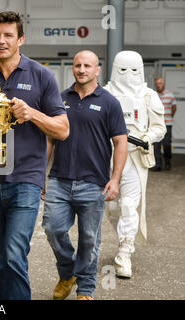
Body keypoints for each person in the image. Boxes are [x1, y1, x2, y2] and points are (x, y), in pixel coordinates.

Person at [0, 11, 69, 300]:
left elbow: (62, 130)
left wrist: (31, 113)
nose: (1, 41)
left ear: (21, 39)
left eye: (8, 35)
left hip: (26, 179)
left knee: (14, 255)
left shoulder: (42, 75)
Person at [42, 50, 128, 300]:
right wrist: (40, 175)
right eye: (77, 65)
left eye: (87, 65)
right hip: (59, 179)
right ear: (73, 68)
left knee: (90, 239)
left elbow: (120, 142)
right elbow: (50, 138)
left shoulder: (109, 102)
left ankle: (86, 290)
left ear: (97, 70)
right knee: (52, 228)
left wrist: (115, 179)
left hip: (94, 183)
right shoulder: (60, 99)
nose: (82, 69)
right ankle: (68, 272)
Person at [104, 51, 166, 278]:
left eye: (132, 70)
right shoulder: (105, 93)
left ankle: (124, 252)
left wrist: (148, 137)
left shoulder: (148, 96)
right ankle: (123, 239)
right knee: (112, 209)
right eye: (123, 70)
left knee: (129, 204)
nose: (127, 75)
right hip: (107, 158)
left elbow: (160, 127)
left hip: (135, 158)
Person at [153, 77, 177, 171]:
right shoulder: (154, 95)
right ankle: (158, 165)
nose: (158, 85)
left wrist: (170, 116)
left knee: (166, 144)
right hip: (156, 125)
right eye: (157, 83)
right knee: (156, 145)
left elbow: (174, 107)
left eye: (160, 83)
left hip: (167, 124)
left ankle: (167, 162)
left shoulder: (170, 95)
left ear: (163, 84)